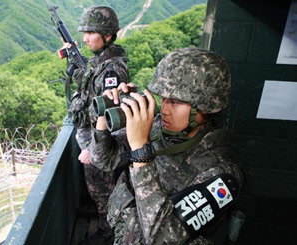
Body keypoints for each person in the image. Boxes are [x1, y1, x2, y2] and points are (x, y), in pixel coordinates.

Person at [89, 48, 245, 244]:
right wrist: (105, 114)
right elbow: (103, 159)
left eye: (175, 102)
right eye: (163, 98)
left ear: (206, 105)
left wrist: (141, 152)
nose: (164, 109)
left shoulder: (222, 173)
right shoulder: (158, 129)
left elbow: (161, 238)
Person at [62, 5, 129, 244]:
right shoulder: (100, 61)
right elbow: (91, 89)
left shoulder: (113, 71)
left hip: (99, 148)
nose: (85, 38)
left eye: (91, 32)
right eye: (85, 32)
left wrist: (92, 148)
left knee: (103, 192)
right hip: (91, 142)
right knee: (97, 191)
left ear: (108, 35)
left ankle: (108, 232)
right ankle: (105, 222)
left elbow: (114, 119)